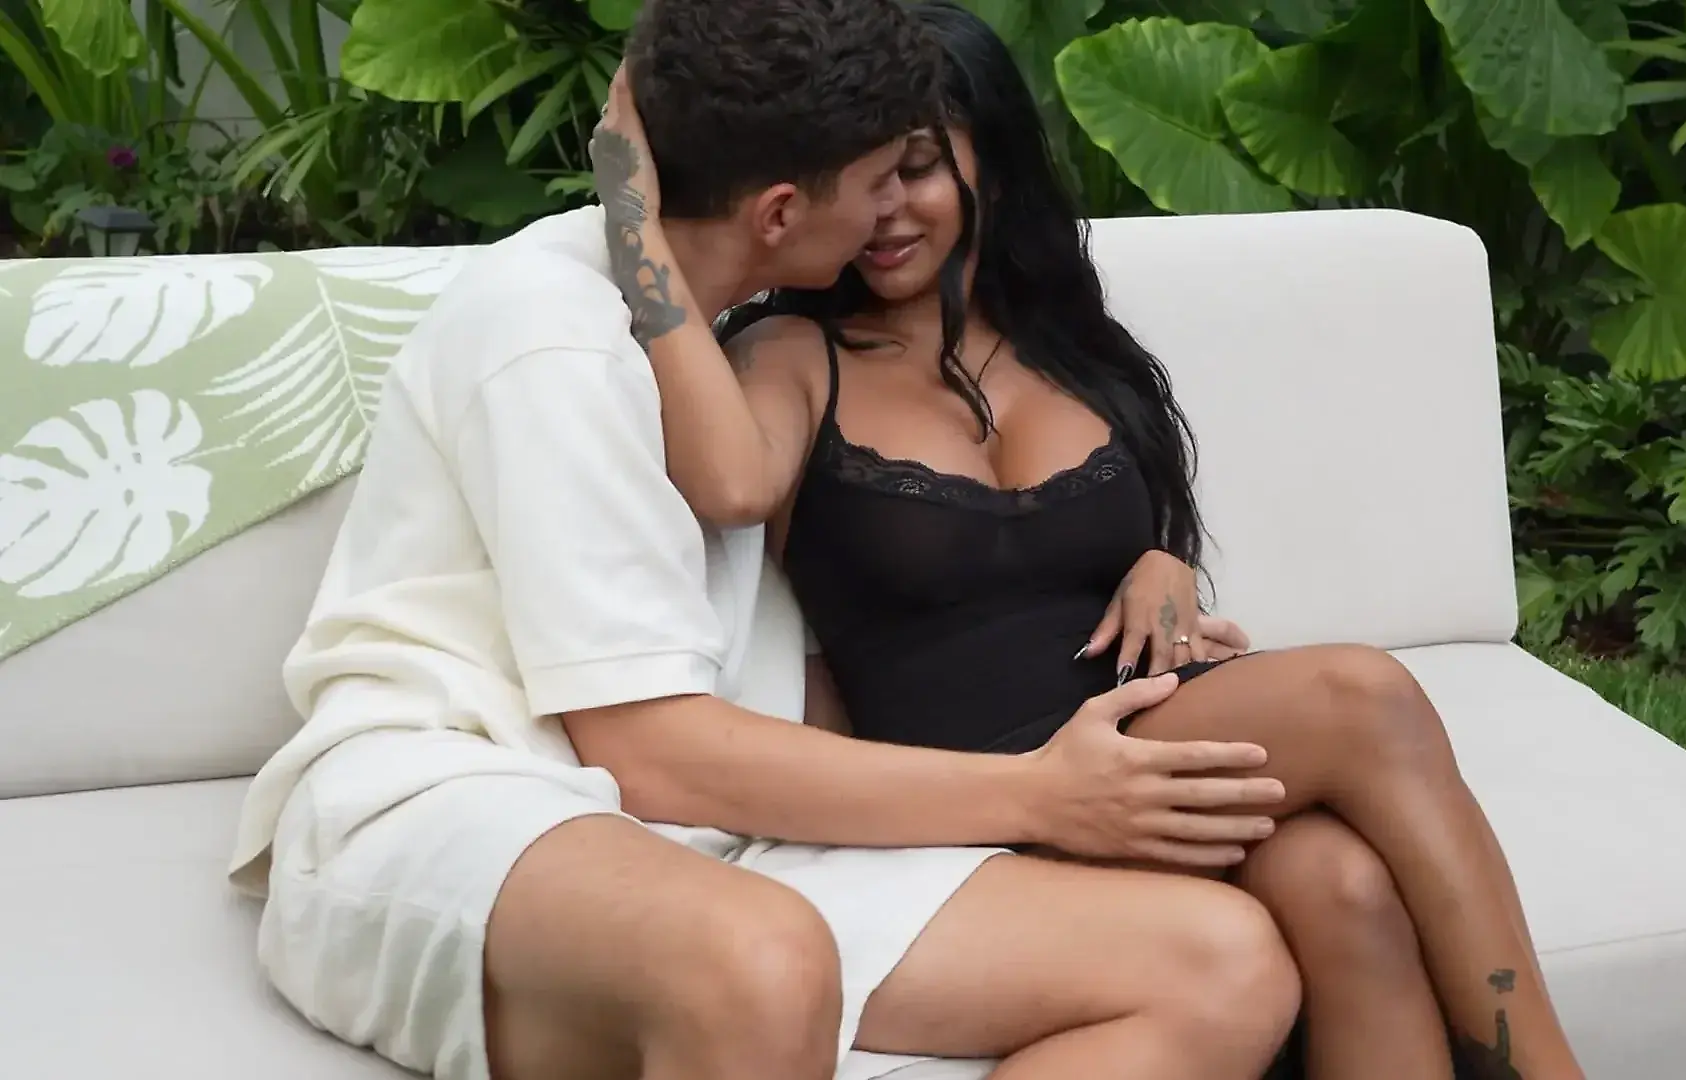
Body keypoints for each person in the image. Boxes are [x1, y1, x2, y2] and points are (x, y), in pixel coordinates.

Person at [227, 3, 1311, 1080]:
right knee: (761, 962)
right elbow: (649, 752)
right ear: (784, 212)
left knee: (1221, 966)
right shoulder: (551, 338)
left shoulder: (727, 347)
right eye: (884, 177)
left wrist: (1139, 562)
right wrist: (1038, 793)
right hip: (465, 796)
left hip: (710, 839)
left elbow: (761, 539)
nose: (896, 211)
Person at [615, 3, 1587, 1079]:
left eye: (916, 169)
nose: (884, 209)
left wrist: (1165, 562)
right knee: (1365, 698)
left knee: (1338, 882)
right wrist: (632, 219)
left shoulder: (1074, 346)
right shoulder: (800, 352)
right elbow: (730, 483)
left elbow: (1115, 542)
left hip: (1137, 723)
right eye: (862, 178)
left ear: (993, 162)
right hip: (985, 778)